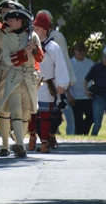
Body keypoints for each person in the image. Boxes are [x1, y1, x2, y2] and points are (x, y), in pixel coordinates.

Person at [0, 8, 44, 157]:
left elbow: (40, 58)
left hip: (30, 77)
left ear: (20, 21)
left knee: (26, 113)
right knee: (16, 111)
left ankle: (20, 142)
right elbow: (7, 60)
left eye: (12, 20)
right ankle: (20, 143)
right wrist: (23, 53)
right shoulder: (6, 38)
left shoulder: (33, 36)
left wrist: (34, 49)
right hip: (14, 77)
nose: (9, 23)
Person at [0, 0, 25, 156]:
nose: (7, 16)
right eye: (4, 13)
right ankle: (4, 146)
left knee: (22, 111)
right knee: (3, 110)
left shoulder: (26, 33)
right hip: (3, 74)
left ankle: (19, 143)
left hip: (21, 73)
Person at [29, 13, 70, 153]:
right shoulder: (29, 44)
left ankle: (45, 143)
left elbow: (60, 66)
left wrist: (62, 84)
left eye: (38, 29)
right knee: (31, 114)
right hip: (31, 84)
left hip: (47, 86)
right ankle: (32, 137)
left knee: (46, 116)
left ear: (45, 31)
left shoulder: (53, 47)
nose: (35, 31)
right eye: (34, 28)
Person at [36, 10, 77, 135]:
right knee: (36, 114)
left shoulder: (56, 38)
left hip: (53, 81)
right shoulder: (32, 38)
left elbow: (62, 59)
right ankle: (42, 137)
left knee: (56, 111)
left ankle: (51, 134)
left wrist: (63, 83)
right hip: (37, 81)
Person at [68, 42, 94, 135]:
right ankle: (79, 139)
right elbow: (66, 81)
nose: (82, 52)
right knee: (77, 120)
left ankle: (85, 133)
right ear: (74, 51)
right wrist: (69, 96)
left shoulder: (90, 62)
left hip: (88, 96)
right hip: (75, 97)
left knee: (91, 117)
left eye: (83, 50)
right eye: (79, 50)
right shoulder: (70, 63)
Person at [84, 46, 106, 136]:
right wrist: (86, 91)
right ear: (102, 56)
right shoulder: (96, 67)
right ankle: (93, 137)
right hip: (99, 97)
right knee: (97, 123)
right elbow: (86, 79)